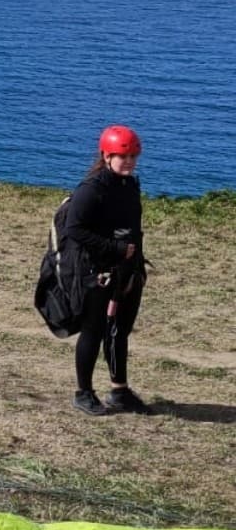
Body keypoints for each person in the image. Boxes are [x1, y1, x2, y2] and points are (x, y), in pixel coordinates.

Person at [65, 125, 149, 416]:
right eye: (121, 156)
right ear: (106, 155)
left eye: (132, 157)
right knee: (93, 331)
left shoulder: (129, 185)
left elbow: (132, 228)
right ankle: (83, 393)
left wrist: (134, 263)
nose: (128, 162)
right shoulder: (92, 189)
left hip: (128, 271)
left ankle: (119, 391)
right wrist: (114, 249)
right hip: (96, 272)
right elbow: (73, 229)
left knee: (119, 331)